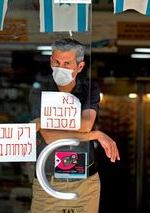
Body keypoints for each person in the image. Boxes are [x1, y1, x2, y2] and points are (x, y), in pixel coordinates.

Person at [29, 38, 120, 213]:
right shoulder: (40, 90)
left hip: (84, 183)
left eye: (67, 63)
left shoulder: (89, 89)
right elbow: (49, 137)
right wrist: (95, 135)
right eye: (57, 62)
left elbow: (85, 124)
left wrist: (49, 123)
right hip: (47, 180)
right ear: (51, 61)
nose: (60, 67)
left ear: (79, 67)